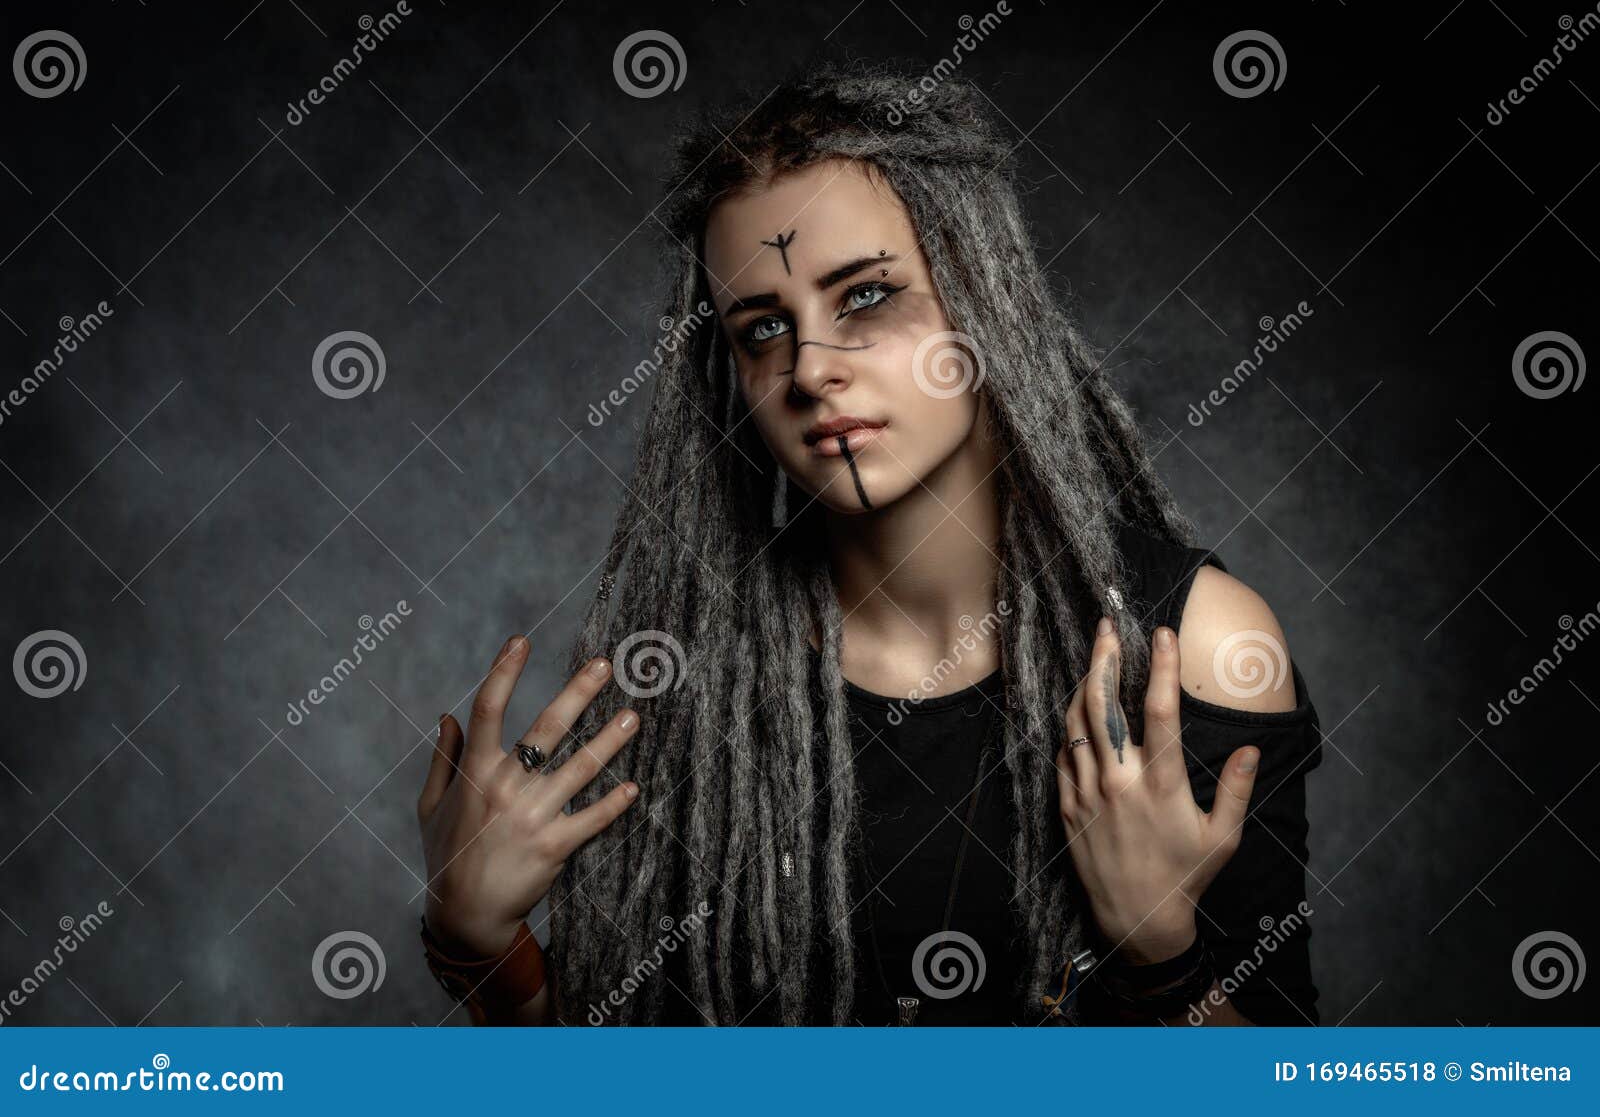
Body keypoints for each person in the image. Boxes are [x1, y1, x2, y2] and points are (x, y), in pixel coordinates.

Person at [413, 63, 1325, 1026]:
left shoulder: (1191, 655)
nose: (810, 368)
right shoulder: (679, 679)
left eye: (864, 298)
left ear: (985, 298)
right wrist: (481, 946)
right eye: (763, 328)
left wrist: (1159, 953)